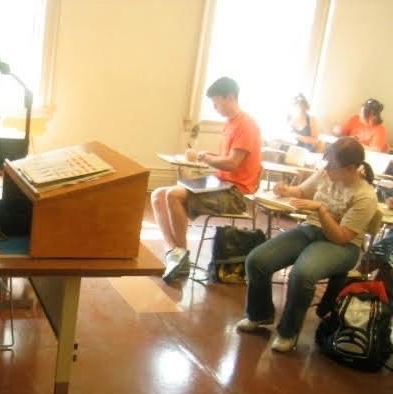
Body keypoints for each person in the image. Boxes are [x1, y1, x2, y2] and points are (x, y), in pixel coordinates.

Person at [237, 137, 378, 352]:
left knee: (302, 275)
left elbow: (341, 237)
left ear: (350, 168)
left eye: (331, 164)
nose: (326, 168)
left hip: (342, 246)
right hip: (311, 231)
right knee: (257, 260)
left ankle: (288, 332)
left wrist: (320, 209)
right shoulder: (325, 174)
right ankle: (260, 314)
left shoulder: (365, 196)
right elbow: (302, 191)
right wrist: (285, 190)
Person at [151, 77, 262, 283]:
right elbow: (225, 159)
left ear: (229, 97)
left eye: (216, 103)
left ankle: (181, 254)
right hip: (221, 184)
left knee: (172, 196)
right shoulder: (231, 124)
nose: (215, 108)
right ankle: (173, 251)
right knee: (158, 195)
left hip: (236, 193)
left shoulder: (246, 125)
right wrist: (204, 154)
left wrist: (204, 157)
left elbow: (232, 164)